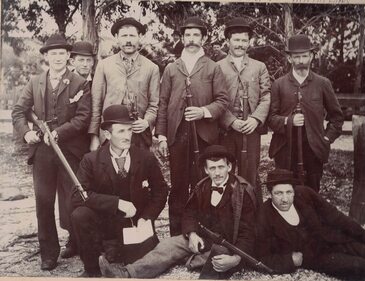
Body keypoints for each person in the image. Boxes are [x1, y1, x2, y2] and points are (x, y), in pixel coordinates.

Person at [98, 144, 259, 279]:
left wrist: (236, 258)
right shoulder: (202, 186)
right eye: (212, 168)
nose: (217, 173)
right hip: (204, 239)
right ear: (206, 170)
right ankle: (127, 274)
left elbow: (248, 230)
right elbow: (190, 213)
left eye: (221, 167)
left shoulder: (241, 191)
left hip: (229, 245)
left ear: (229, 167)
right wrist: (192, 234)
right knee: (167, 245)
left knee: (219, 259)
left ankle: (192, 260)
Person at [12, 33, 91, 270]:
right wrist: (27, 133)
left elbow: (83, 117)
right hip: (43, 153)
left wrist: (58, 133)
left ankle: (76, 241)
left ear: (68, 56)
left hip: (70, 150)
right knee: (43, 202)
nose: (58, 57)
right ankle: (48, 253)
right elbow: (18, 111)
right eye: (53, 53)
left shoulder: (80, 83)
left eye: (62, 53)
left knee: (72, 199)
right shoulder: (35, 82)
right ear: (46, 57)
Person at [71, 104, 168, 277]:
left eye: (129, 130)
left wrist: (148, 217)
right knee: (80, 214)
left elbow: (161, 191)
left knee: (142, 266)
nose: (127, 136)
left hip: (136, 223)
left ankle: (117, 251)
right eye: (121, 131)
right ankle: (92, 268)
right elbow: (78, 196)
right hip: (105, 223)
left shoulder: (145, 157)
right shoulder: (91, 160)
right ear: (107, 134)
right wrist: (117, 203)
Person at [155, 16, 229, 236]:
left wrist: (203, 111)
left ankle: (204, 233)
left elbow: (223, 101)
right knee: (178, 186)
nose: (192, 39)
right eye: (188, 35)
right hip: (178, 135)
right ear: (182, 38)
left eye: (196, 35)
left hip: (204, 135)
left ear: (204, 38)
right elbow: (163, 102)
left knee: (203, 184)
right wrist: (161, 136)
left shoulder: (213, 67)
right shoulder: (171, 68)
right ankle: (177, 236)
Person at [255, 168, 365, 280]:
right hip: (315, 257)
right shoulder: (264, 216)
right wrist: (290, 260)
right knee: (363, 268)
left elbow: (336, 216)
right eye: (279, 193)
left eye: (289, 192)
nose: (285, 199)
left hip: (331, 241)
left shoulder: (305, 194)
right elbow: (261, 257)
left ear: (294, 190)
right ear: (270, 193)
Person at [267, 34, 344, 192]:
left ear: (311, 56)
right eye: (297, 57)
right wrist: (289, 121)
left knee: (312, 193)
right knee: (286, 192)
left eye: (304, 56)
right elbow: (271, 119)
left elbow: (337, 117)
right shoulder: (279, 84)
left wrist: (326, 139)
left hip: (313, 149)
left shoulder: (322, 83)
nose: (301, 60)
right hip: (285, 149)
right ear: (289, 59)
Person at [218, 18, 271, 201]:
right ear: (228, 41)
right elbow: (215, 98)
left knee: (250, 174)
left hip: (251, 129)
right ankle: (227, 217)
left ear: (249, 42)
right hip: (226, 131)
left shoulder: (259, 67)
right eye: (236, 40)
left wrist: (255, 119)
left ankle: (252, 217)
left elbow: (266, 96)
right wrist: (231, 121)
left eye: (244, 40)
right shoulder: (218, 67)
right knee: (225, 172)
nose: (240, 44)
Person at [89, 17, 160, 151]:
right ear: (117, 38)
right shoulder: (104, 65)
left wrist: (146, 122)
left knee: (138, 170)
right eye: (124, 36)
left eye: (132, 35)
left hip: (138, 135)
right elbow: (96, 104)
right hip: (109, 134)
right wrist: (94, 136)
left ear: (140, 37)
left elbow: (154, 104)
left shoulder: (152, 68)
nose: (128, 40)